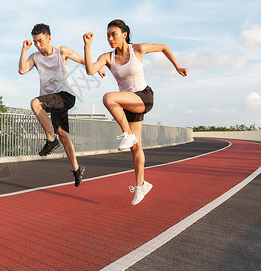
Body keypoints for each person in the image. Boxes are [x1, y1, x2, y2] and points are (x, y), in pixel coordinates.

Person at [83, 19, 188, 205]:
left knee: (108, 98)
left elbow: (163, 47)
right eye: (107, 35)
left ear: (124, 34)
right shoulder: (108, 57)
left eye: (113, 34)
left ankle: (126, 133)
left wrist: (177, 67)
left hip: (143, 96)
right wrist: (87, 45)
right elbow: (91, 70)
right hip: (127, 103)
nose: (110, 38)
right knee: (135, 147)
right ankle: (141, 185)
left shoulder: (137, 49)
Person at [19, 23, 100, 187]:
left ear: (49, 38)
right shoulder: (35, 57)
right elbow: (22, 70)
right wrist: (24, 49)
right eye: (35, 42)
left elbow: (82, 59)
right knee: (63, 135)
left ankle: (50, 140)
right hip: (51, 100)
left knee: (35, 103)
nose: (38, 45)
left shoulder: (61, 51)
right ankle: (77, 169)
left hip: (65, 96)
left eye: (40, 41)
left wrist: (98, 68)